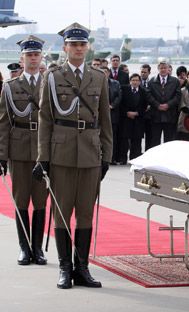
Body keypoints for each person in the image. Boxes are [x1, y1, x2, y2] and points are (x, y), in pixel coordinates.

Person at [33, 22, 113, 289]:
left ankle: (83, 269)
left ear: (87, 47)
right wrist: (43, 157)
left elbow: (105, 119)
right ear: (65, 47)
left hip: (90, 153)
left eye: (82, 44)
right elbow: (45, 119)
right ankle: (65, 269)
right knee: (62, 212)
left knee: (87, 214)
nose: (78, 48)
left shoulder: (99, 77)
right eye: (73, 44)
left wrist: (107, 155)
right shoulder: (53, 77)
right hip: (62, 153)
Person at [0, 35, 49, 266]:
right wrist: (2, 155)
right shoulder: (10, 87)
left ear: (41, 57)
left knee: (40, 200)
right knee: (21, 200)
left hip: (42, 149)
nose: (32, 58)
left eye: (36, 54)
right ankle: (23, 247)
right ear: (22, 58)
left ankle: (37, 247)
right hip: (18, 149)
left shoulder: (50, 85)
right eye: (29, 54)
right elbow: (3, 123)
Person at [146, 61, 181, 147]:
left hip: (170, 115)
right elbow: (148, 96)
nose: (163, 70)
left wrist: (168, 105)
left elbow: (178, 96)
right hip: (156, 115)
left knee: (169, 140)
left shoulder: (175, 81)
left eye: (165, 68)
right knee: (155, 140)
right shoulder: (151, 81)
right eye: (161, 68)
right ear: (158, 69)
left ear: (168, 69)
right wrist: (157, 105)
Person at [119, 73, 147, 161]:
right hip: (126, 118)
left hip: (138, 119)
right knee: (124, 140)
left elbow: (145, 105)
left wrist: (137, 113)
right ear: (130, 81)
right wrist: (127, 112)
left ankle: (135, 159)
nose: (135, 82)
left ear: (140, 82)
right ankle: (122, 159)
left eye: (137, 80)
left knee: (137, 140)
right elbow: (120, 103)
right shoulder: (124, 89)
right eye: (133, 80)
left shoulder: (143, 91)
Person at [101, 66, 122, 165]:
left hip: (112, 113)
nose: (104, 73)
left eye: (106, 71)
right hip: (99, 114)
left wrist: (112, 105)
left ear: (109, 73)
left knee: (112, 137)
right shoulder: (95, 82)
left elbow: (119, 96)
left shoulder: (115, 83)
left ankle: (111, 158)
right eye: (102, 71)